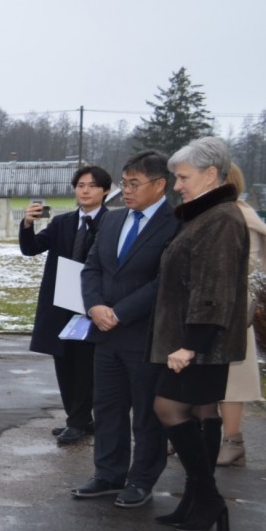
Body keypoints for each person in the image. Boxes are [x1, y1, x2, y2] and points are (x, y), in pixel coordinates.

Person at [147, 137, 250, 531]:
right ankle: (196, 499)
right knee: (203, 413)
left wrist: (192, 344)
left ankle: (207, 498)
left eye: (183, 177)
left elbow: (214, 288)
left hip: (200, 341)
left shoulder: (220, 218)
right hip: (199, 340)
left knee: (168, 408)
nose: (177, 186)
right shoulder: (205, 215)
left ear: (210, 175)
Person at [73, 150, 179, 508]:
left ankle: (142, 479)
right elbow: (92, 268)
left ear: (159, 185)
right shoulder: (113, 220)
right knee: (107, 408)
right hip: (106, 334)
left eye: (134, 184)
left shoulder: (176, 224)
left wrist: (120, 312)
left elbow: (165, 280)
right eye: (125, 183)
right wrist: (94, 306)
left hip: (146, 335)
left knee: (146, 414)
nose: (127, 191)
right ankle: (108, 474)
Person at [19, 166, 111, 446]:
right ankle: (78, 418)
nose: (85, 190)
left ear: (105, 191)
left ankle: (77, 421)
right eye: (80, 185)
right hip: (61, 303)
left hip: (93, 304)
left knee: (85, 365)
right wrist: (27, 224)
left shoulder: (113, 222)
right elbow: (31, 248)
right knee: (64, 362)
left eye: (92, 186)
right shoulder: (62, 222)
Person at [214, 164, 266, 467]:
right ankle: (194, 436)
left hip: (230, 309)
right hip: (207, 306)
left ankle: (233, 442)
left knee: (232, 381)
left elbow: (243, 265)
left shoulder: (242, 217)